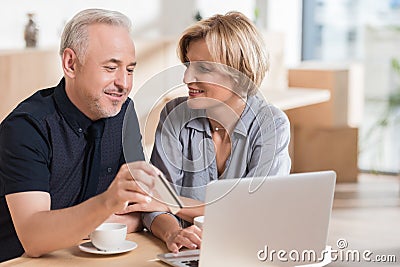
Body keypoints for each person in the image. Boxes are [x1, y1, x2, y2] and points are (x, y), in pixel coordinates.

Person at [0, 9, 159, 262]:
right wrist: (108, 205)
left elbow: (140, 209)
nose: (124, 83)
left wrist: (81, 222)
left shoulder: (123, 112)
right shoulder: (26, 127)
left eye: (129, 70)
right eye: (110, 67)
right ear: (70, 64)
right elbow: (34, 238)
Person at [137, 11, 292, 253]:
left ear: (239, 74)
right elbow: (153, 205)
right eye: (188, 65)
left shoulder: (272, 124)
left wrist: (172, 203)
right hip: (187, 253)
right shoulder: (174, 115)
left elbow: (257, 209)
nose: (187, 78)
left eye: (204, 69)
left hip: (250, 251)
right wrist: (174, 233)